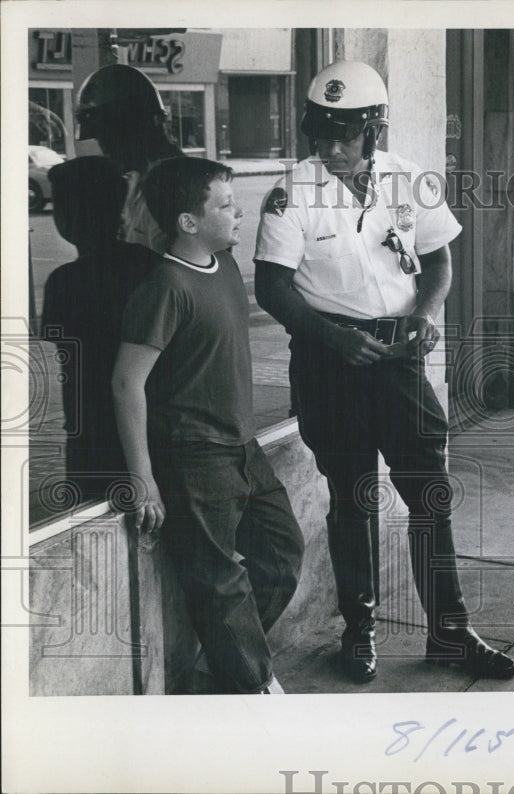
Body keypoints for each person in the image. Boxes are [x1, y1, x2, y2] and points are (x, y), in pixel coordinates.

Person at [254, 60, 514, 683]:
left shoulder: (409, 180)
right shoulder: (292, 193)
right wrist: (333, 338)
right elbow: (272, 288)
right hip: (328, 361)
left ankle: (451, 634)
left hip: (399, 356)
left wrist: (427, 314)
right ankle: (358, 631)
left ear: (373, 131)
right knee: (352, 501)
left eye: (347, 135)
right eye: (322, 135)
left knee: (430, 496)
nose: (334, 148)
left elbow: (438, 260)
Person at [112, 157, 304, 694]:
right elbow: (127, 384)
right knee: (218, 584)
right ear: (188, 222)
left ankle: (226, 666)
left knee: (283, 554)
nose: (238, 212)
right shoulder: (165, 287)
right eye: (224, 204)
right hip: (194, 457)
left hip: (244, 445)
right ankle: (251, 687)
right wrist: (143, 477)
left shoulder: (225, 267)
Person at [41, 156, 160, 504]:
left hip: (91, 427)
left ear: (66, 217)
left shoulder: (64, 282)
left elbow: (59, 345)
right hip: (153, 424)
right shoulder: (149, 264)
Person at [75, 63, 184, 253]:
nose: (104, 149)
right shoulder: (135, 180)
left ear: (132, 129)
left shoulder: (180, 186)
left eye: (106, 138)